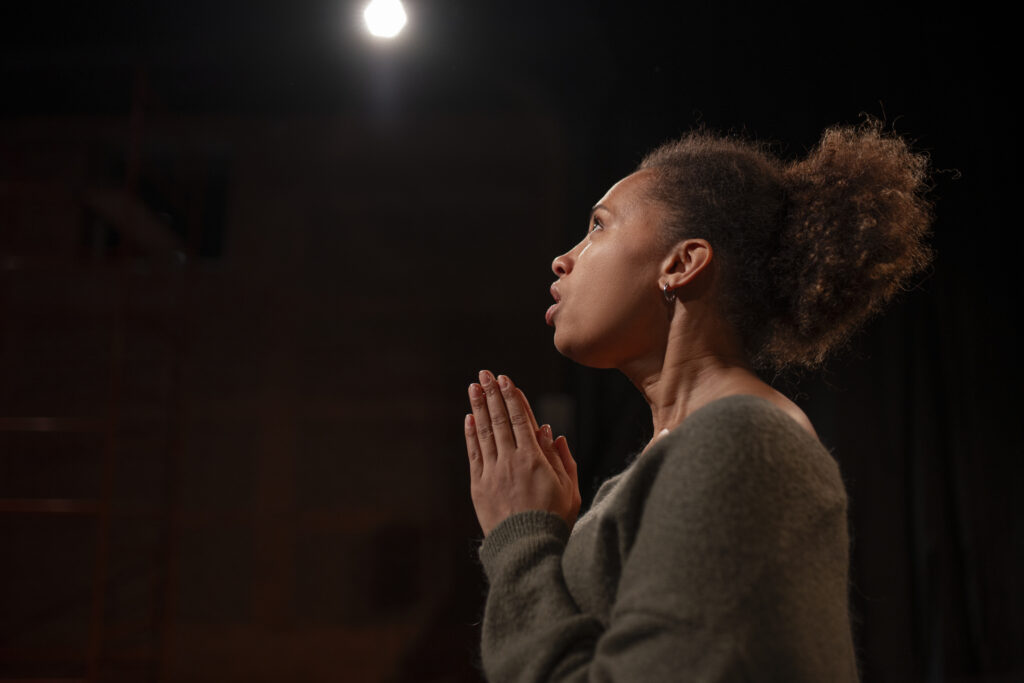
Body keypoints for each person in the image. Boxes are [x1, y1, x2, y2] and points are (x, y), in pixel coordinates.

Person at [462, 121, 932, 682]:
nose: (564, 258)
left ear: (681, 265)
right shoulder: (687, 452)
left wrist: (522, 536)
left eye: (597, 227)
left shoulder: (742, 441)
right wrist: (551, 541)